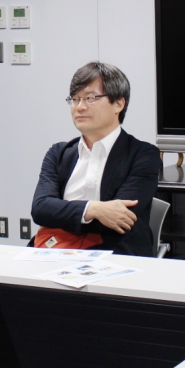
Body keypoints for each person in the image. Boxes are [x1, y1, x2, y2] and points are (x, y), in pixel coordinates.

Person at [30, 62, 162, 256]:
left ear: (118, 104)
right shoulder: (58, 153)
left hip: (116, 255)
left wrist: (61, 215)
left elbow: (120, 219)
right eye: (75, 99)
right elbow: (40, 209)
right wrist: (94, 209)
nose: (80, 107)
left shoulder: (143, 155)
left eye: (90, 98)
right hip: (56, 253)